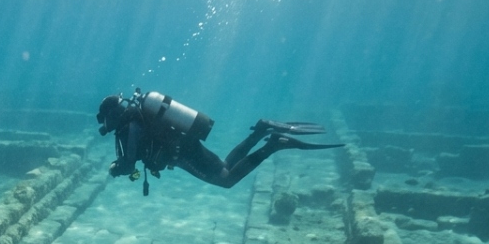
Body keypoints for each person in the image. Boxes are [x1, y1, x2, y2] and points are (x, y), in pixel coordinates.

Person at [97, 89, 343, 195]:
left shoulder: (130, 127)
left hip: (180, 154)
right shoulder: (138, 117)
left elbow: (129, 164)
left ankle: (273, 144)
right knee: (225, 166)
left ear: (113, 116)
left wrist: (114, 169)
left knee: (226, 181)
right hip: (186, 142)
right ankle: (260, 131)